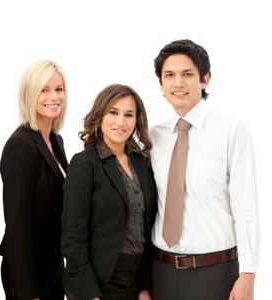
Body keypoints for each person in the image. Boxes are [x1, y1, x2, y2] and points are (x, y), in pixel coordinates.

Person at [149, 39, 260, 299]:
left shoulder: (233, 131)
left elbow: (246, 207)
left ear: (205, 79)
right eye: (169, 75)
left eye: (187, 74)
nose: (178, 83)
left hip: (216, 273)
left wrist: (248, 276)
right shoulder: (152, 137)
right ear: (161, 85)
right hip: (160, 271)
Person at [62, 84, 158, 300]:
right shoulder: (84, 164)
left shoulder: (142, 163)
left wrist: (145, 288)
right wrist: (90, 295)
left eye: (129, 115)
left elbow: (148, 228)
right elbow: (73, 238)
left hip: (136, 281)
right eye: (113, 112)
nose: (120, 122)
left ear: (136, 120)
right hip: (100, 283)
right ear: (100, 115)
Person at [0, 60, 68, 300]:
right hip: (29, 275)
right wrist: (28, 293)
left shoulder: (56, 142)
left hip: (53, 268)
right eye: (44, 90)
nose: (54, 96)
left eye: (59, 89)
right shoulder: (21, 145)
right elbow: (17, 226)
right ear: (29, 94)